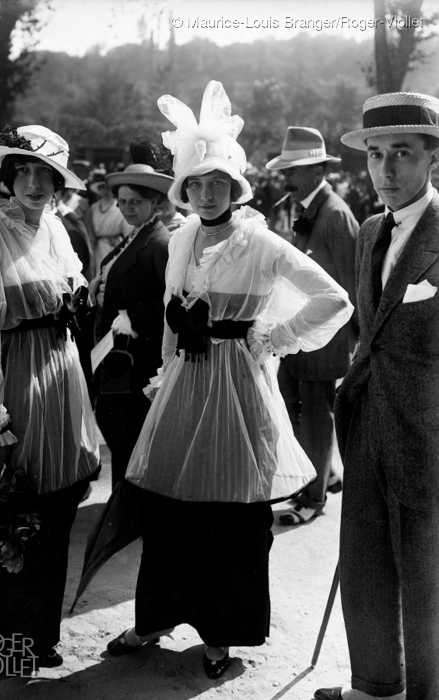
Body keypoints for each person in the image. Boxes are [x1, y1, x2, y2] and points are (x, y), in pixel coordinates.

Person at [104, 81, 353, 679]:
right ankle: (156, 618)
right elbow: (171, 317)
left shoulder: (260, 242)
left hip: (239, 391)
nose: (207, 193)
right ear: (184, 190)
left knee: (233, 516)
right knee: (167, 510)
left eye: (219, 182)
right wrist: (165, 373)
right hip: (185, 387)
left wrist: (274, 337)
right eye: (197, 183)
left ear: (236, 188)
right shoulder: (182, 239)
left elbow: (333, 298)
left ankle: (221, 632)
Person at [0, 124, 100, 700]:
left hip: (63, 384)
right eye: (25, 172)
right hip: (20, 390)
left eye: (48, 174)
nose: (36, 183)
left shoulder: (57, 229)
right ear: (8, 176)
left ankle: (34, 640)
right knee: (24, 530)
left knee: (60, 516)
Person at [314, 92, 439, 700]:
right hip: (366, 422)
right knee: (364, 561)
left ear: (431, 158)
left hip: (430, 433)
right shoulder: (368, 232)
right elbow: (369, 330)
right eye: (377, 155)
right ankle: (375, 686)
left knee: (427, 578)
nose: (387, 171)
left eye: (403, 154)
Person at [266, 127, 359, 524]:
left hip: (327, 336)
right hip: (301, 331)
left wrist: (354, 343)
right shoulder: (304, 208)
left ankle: (313, 498)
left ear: (320, 169)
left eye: (298, 168)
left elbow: (353, 286)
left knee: (316, 413)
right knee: (294, 403)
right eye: (287, 167)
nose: (289, 176)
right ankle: (325, 473)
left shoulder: (335, 215)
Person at [91, 147, 173, 487]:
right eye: (122, 202)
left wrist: (134, 317)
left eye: (135, 202)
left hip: (137, 357)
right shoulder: (135, 236)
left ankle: (131, 507)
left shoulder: (159, 241)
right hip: (117, 352)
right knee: (116, 425)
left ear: (154, 203)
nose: (126, 209)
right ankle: (125, 503)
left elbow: (169, 303)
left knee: (127, 429)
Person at [85, 179, 133, 271]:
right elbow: (90, 230)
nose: (105, 191)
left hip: (116, 244)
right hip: (99, 246)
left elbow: (127, 229)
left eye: (108, 189)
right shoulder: (94, 207)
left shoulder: (119, 206)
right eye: (102, 188)